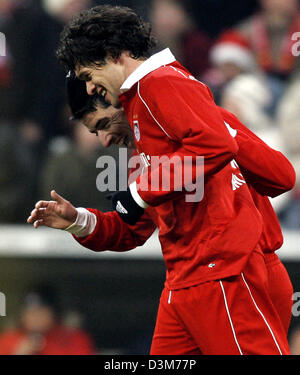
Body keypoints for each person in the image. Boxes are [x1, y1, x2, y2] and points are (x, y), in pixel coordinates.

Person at [30, 5, 295, 354]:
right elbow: (132, 229)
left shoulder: (160, 87)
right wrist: (78, 221)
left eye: (103, 124)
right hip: (188, 280)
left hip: (222, 272)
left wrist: (141, 190)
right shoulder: (157, 133)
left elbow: (247, 161)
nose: (105, 140)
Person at [0, 286, 95, 355]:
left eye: (41, 312)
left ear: (53, 314)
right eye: (30, 312)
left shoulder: (73, 339)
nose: (35, 318)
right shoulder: (8, 339)